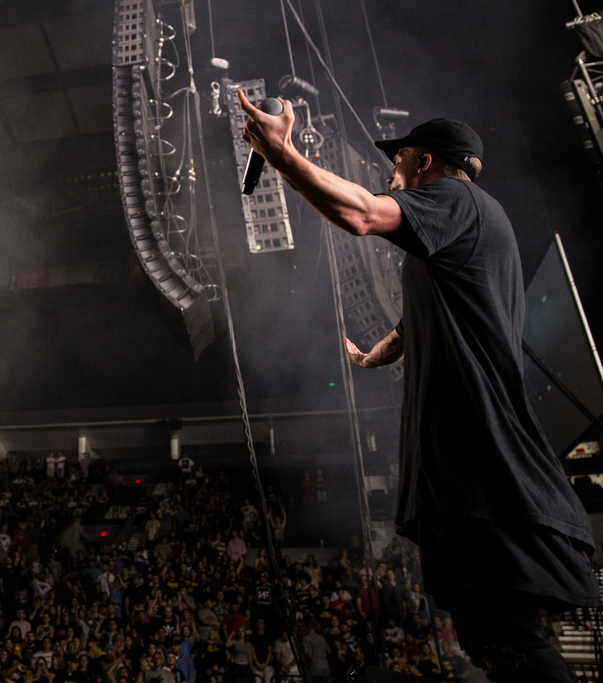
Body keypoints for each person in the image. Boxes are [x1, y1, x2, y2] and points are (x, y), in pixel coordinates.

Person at [238, 92, 598, 681]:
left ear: (424, 162)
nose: (389, 171)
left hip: (484, 457)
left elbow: (360, 214)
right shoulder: (461, 234)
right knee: (492, 641)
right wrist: (373, 356)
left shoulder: (456, 201)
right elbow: (414, 325)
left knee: (512, 642)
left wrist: (282, 157)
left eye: (398, 160)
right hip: (465, 462)